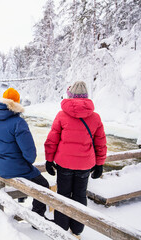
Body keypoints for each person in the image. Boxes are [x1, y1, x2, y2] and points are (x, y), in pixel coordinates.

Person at [44, 81, 107, 238]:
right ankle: (77, 229)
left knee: (63, 194)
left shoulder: (61, 115)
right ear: (86, 96)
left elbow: (52, 140)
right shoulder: (95, 117)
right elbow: (101, 143)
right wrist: (99, 164)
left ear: (70, 95)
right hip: (85, 165)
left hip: (64, 164)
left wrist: (49, 160)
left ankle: (61, 227)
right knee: (79, 195)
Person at [0, 87, 49, 219]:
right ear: (16, 104)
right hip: (13, 167)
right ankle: (38, 219)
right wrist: (27, 162)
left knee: (27, 173)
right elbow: (30, 154)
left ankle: (21, 198)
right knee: (43, 185)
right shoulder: (18, 123)